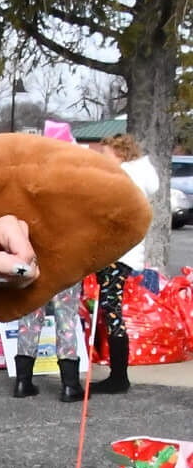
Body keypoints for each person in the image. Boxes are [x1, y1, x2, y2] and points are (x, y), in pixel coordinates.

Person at [90, 133, 159, 395]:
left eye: (106, 154)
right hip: (122, 253)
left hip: (117, 254)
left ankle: (119, 377)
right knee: (111, 309)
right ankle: (118, 375)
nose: (103, 159)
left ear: (120, 154)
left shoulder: (125, 178)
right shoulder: (135, 178)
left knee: (112, 310)